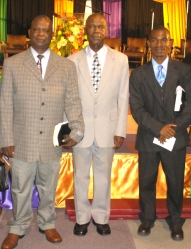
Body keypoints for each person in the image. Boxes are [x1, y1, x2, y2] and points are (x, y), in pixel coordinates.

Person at [0, 15, 84, 249]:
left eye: (45, 30)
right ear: (29, 32)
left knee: (49, 186)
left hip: (52, 140)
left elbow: (73, 101)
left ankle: (47, 223)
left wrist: (77, 131)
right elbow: (5, 104)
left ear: (52, 34)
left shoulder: (66, 66)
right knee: (20, 187)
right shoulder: (13, 63)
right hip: (21, 140)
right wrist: (5, 139)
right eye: (36, 29)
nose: (40, 33)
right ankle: (18, 226)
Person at [129, 26, 191, 241]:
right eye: (155, 41)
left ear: (170, 43)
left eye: (164, 40)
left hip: (175, 137)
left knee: (175, 181)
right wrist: (158, 128)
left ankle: (176, 220)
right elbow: (137, 108)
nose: (159, 45)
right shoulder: (138, 74)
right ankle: (147, 218)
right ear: (148, 44)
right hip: (149, 137)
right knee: (147, 181)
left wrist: (172, 129)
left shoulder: (184, 70)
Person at [67, 13, 129, 236]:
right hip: (80, 131)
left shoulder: (120, 60)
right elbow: (69, 99)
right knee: (80, 175)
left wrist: (120, 130)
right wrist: (70, 129)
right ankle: (82, 218)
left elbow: (123, 97)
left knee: (103, 176)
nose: (96, 30)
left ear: (106, 31)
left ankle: (102, 216)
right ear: (85, 30)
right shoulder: (72, 60)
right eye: (91, 26)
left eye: (100, 27)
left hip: (107, 129)